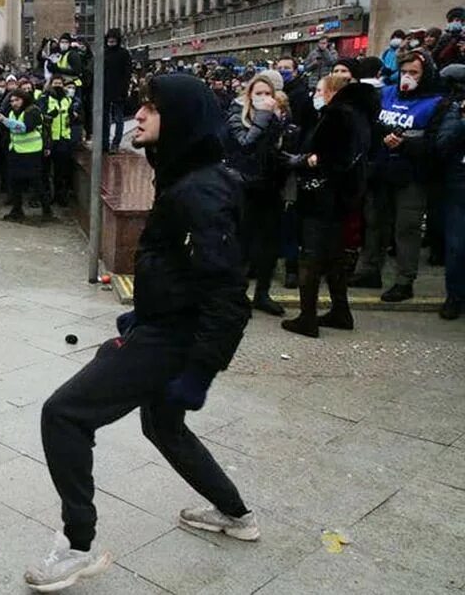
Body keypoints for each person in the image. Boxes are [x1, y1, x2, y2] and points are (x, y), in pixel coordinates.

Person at [28, 74, 255, 593]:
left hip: (171, 340)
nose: (139, 117)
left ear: (179, 119)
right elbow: (181, 268)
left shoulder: (201, 189)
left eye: (151, 109)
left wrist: (198, 370)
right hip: (162, 326)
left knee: (63, 413)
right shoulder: (184, 176)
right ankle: (237, 515)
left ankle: (77, 546)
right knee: (164, 427)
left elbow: (228, 295)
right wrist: (145, 311)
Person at [281, 75, 375, 336]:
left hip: (322, 195)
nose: (317, 94)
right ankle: (340, 310)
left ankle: (307, 317)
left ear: (333, 91)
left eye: (321, 90)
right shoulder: (360, 115)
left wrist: (309, 161)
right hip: (344, 196)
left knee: (310, 256)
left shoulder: (336, 116)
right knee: (334, 255)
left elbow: (325, 156)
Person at [349, 50, 445, 302]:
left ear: (425, 75)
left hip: (411, 175)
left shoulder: (436, 102)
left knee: (406, 228)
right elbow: (371, 124)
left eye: (414, 73)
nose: (408, 77)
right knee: (375, 223)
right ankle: (370, 270)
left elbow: (436, 143)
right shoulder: (386, 94)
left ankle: (404, 280)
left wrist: (404, 144)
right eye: (404, 72)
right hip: (382, 170)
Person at [224, 71, 286, 316]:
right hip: (244, 188)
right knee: (242, 243)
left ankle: (262, 293)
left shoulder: (275, 118)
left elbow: (277, 152)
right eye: (258, 93)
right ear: (249, 95)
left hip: (269, 188)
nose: (264, 98)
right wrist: (262, 117)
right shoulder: (237, 117)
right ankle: (236, 295)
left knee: (269, 245)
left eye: (268, 94)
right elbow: (245, 144)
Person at [0, 89, 52, 223]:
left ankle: (47, 209)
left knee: (36, 182)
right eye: (12, 101)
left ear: (24, 99)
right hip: (16, 150)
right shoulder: (12, 113)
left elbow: (25, 127)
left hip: (31, 152)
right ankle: (17, 210)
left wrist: (5, 121)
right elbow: (11, 129)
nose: (14, 103)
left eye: (17, 100)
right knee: (14, 182)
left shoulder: (33, 111)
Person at [437, 65, 465, 320]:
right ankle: (454, 296)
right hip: (459, 188)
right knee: (457, 247)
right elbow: (443, 145)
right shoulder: (454, 112)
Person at [42, 74, 79, 207]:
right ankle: (47, 196)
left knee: (61, 170)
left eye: (59, 83)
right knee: (46, 171)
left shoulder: (67, 99)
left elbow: (71, 116)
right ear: (50, 84)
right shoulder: (45, 98)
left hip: (64, 138)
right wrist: (48, 117)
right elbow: (40, 116)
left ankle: (60, 196)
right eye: (55, 83)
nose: (57, 86)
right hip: (49, 139)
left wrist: (73, 116)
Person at [102, 29, 133, 153]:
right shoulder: (103, 53)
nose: (111, 41)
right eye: (109, 38)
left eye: (113, 38)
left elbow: (127, 73)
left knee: (118, 118)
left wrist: (124, 90)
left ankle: (115, 143)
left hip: (119, 91)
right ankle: (104, 143)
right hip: (105, 91)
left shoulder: (124, 53)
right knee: (105, 118)